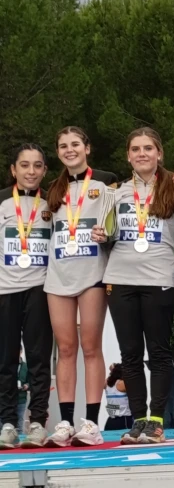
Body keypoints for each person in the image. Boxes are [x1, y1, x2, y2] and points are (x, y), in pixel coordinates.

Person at [106, 128, 174, 445]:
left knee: (160, 353)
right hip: (121, 278)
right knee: (130, 355)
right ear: (128, 155)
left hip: (159, 278)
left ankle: (156, 420)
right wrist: (101, 236)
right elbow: (107, 231)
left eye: (148, 148)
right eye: (135, 149)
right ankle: (138, 421)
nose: (142, 153)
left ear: (159, 153)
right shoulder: (116, 193)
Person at [45, 127, 118, 447]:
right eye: (63, 146)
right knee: (65, 350)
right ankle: (64, 422)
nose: (69, 149)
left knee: (91, 347)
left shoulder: (106, 182)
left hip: (92, 274)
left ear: (87, 147)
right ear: (58, 152)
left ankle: (90, 422)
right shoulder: (52, 188)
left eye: (75, 144)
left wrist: (108, 235)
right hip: (58, 276)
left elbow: (116, 225)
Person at [0, 145, 53, 450]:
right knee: (5, 361)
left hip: (40, 289)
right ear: (14, 170)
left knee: (38, 359)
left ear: (45, 170)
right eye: (24, 165)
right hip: (5, 290)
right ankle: (7, 423)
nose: (30, 171)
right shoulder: (2, 202)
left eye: (37, 166)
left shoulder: (54, 204)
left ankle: (37, 422)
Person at [103, 364, 132, 431]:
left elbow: (111, 367)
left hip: (110, 420)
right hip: (124, 419)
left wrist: (113, 370)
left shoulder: (106, 383)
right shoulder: (122, 384)